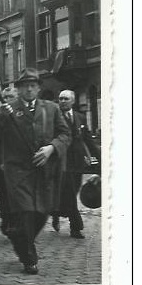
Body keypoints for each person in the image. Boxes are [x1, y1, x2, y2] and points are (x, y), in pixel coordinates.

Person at [0, 68, 70, 275]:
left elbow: (65, 134)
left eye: (33, 85)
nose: (29, 89)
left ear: (38, 88)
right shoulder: (8, 110)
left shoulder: (51, 109)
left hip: (44, 171)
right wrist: (2, 117)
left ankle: (19, 239)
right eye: (25, 86)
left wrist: (51, 148)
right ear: (19, 89)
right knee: (26, 212)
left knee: (41, 214)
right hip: (18, 172)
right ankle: (29, 258)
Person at [51, 89, 100, 238]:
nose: (62, 101)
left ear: (72, 101)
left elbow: (88, 141)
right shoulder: (54, 118)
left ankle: (55, 213)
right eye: (60, 99)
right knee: (70, 193)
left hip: (77, 163)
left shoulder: (80, 117)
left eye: (66, 99)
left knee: (72, 192)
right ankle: (76, 227)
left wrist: (100, 159)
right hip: (61, 162)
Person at [0, 87, 18, 236]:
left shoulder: (20, 113)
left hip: (18, 163)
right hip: (2, 164)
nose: (6, 100)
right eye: (4, 97)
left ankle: (17, 221)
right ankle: (6, 219)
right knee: (4, 195)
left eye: (10, 97)